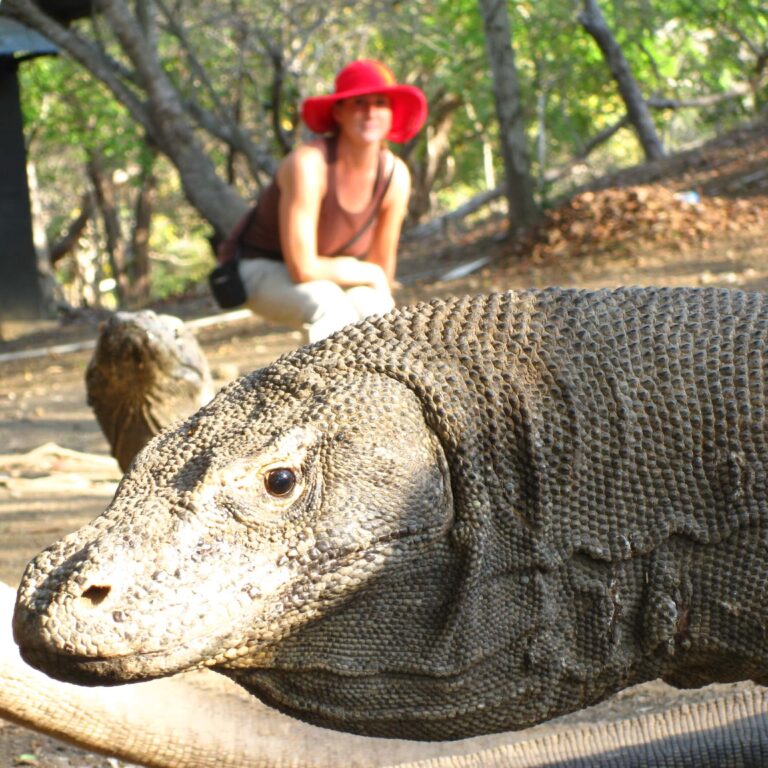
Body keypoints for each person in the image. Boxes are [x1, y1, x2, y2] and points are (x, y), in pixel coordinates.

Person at [220, 59, 428, 343]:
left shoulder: (395, 175)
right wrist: (365, 271)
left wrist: (372, 280)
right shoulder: (308, 164)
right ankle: (329, 387)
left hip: (331, 272)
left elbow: (382, 271)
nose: (370, 112)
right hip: (260, 267)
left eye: (380, 103)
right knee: (327, 303)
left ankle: (383, 385)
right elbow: (302, 268)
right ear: (339, 112)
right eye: (359, 103)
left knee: (375, 309)